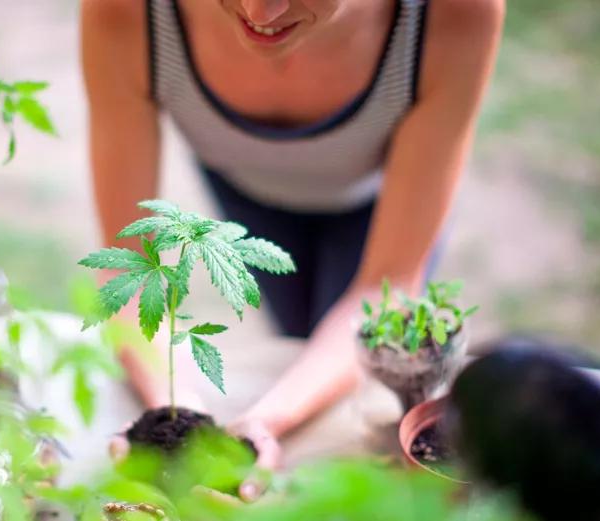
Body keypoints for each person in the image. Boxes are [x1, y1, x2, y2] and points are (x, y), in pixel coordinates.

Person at [81, 0, 504, 500]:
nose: (261, 13)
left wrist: (267, 421)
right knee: (300, 343)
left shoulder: (455, 13)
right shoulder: (128, 11)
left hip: (381, 200)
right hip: (246, 192)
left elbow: (386, 286)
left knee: (359, 375)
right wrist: (175, 413)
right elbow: (128, 268)